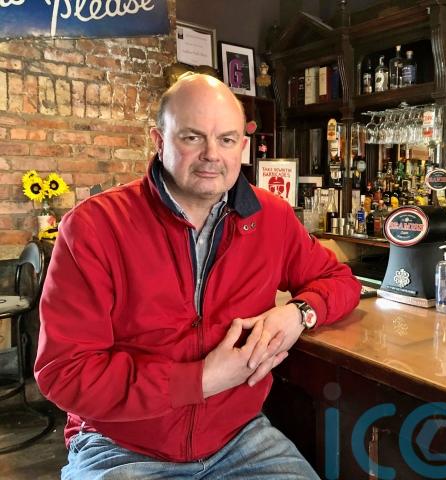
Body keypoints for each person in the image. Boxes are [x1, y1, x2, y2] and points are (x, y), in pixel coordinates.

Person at [34, 73, 360, 479]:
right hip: (120, 444)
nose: (212, 155)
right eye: (192, 137)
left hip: (239, 437)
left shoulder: (271, 216)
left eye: (226, 140)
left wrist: (299, 314)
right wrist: (201, 380)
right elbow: (65, 374)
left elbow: (341, 281)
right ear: (159, 141)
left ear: (243, 147)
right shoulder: (94, 227)